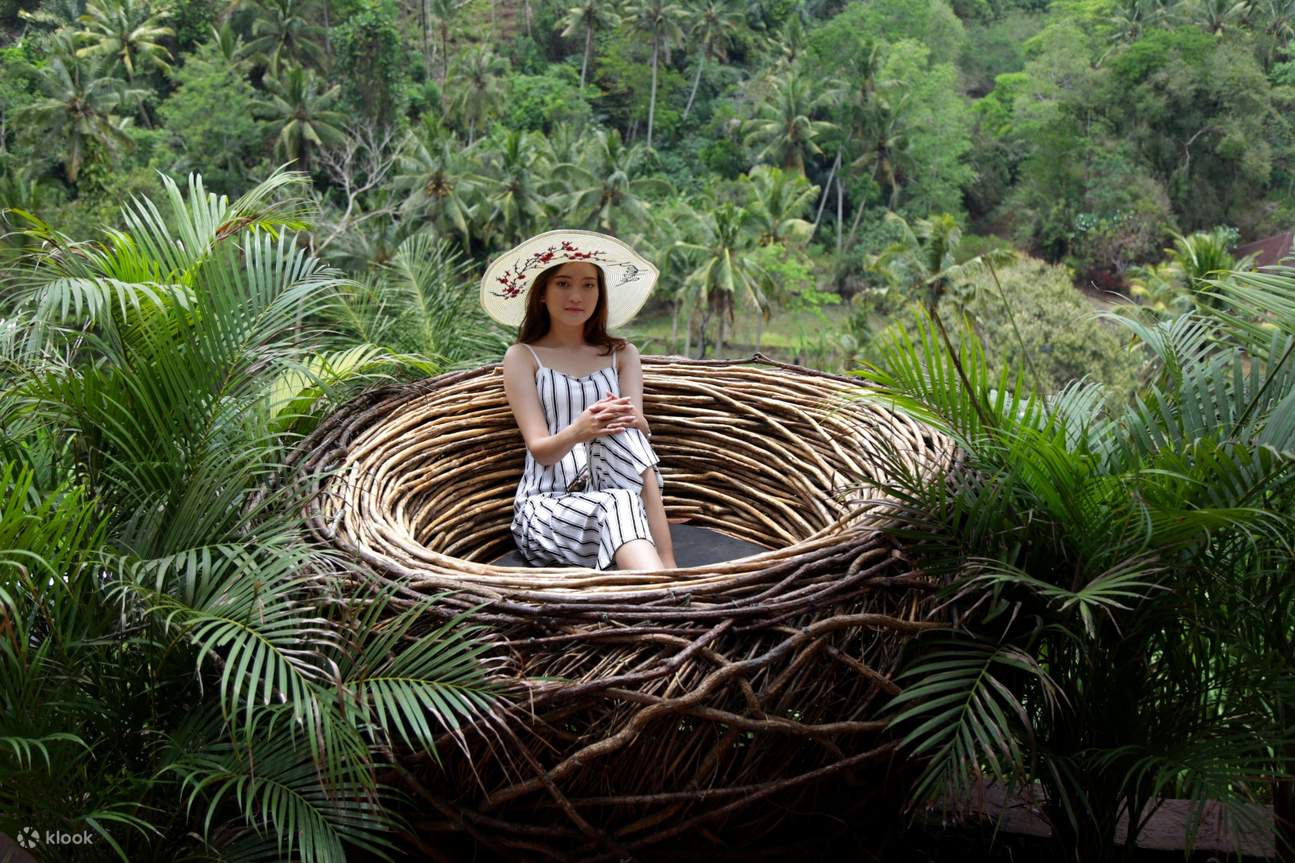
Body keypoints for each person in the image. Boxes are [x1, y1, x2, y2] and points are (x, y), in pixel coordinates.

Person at [480, 230, 676, 571]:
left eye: (588, 285)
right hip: (548, 509)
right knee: (619, 499)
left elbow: (638, 439)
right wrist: (579, 430)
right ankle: (664, 583)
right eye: (562, 284)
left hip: (620, 500)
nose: (576, 296)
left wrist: (632, 421)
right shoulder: (523, 357)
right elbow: (540, 450)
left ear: (600, 293)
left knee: (624, 427)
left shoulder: (622, 355)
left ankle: (668, 564)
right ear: (542, 293)